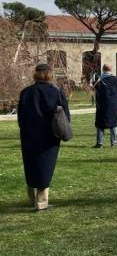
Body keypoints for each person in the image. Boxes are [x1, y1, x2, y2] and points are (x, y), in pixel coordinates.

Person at [18, 64, 70, 211]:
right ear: (49, 74)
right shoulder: (56, 92)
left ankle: (31, 198)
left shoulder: (26, 92)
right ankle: (41, 202)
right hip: (49, 136)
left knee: (30, 165)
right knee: (45, 167)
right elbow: (64, 115)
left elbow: (20, 116)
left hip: (29, 134)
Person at [93, 64, 117, 148]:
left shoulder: (99, 80)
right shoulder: (115, 80)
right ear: (110, 70)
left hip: (102, 105)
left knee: (100, 124)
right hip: (113, 104)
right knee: (114, 123)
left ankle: (100, 143)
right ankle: (114, 142)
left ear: (103, 69)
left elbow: (95, 89)